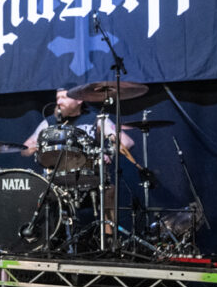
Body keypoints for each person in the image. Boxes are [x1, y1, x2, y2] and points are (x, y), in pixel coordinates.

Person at [21, 88, 134, 236]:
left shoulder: (97, 118)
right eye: (57, 98)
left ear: (79, 99)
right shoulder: (49, 122)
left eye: (63, 97)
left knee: (109, 190)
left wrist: (108, 153)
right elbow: (25, 148)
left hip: (91, 177)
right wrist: (35, 147)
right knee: (37, 191)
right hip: (57, 179)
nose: (59, 101)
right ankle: (45, 239)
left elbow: (126, 141)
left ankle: (108, 240)